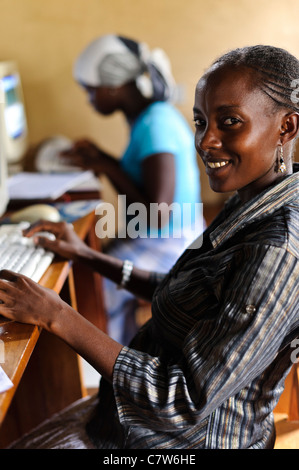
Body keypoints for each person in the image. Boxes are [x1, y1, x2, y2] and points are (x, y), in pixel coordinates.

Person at [0, 44, 298, 449]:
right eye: (200, 121)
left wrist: (59, 316)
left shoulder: (275, 252)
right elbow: (188, 293)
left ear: (286, 127)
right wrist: (87, 255)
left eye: (229, 122)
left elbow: (185, 401)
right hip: (133, 417)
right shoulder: (251, 197)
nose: (206, 141)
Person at [60, 34, 202, 345]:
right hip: (170, 235)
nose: (89, 99)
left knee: (92, 279)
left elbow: (159, 214)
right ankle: (123, 349)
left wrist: (108, 167)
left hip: (173, 244)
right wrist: (103, 159)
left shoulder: (156, 124)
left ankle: (111, 364)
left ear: (113, 87)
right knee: (94, 256)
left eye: (90, 90)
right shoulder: (149, 117)